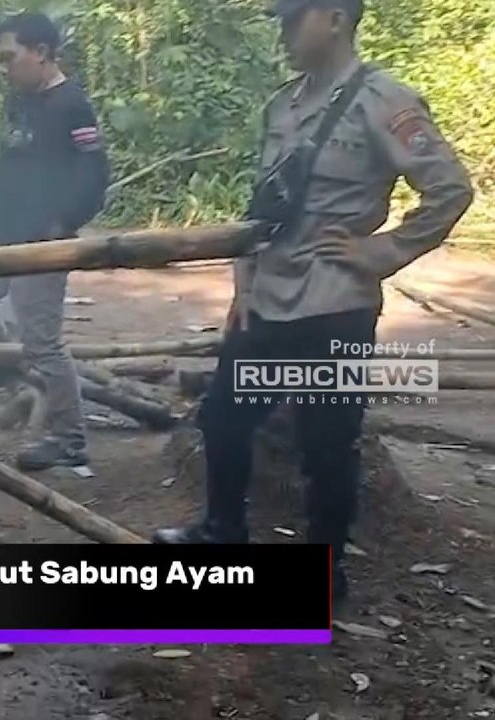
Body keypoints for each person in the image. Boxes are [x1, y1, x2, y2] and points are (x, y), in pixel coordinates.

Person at [153, 0, 473, 609]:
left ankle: (325, 573)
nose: (282, 31)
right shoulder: (284, 105)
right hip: (269, 297)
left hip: (335, 302)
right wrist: (242, 284)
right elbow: (261, 207)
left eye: (291, 18)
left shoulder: (386, 100)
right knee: (222, 417)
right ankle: (223, 531)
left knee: (328, 443)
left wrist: (385, 251)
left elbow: (450, 188)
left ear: (333, 17)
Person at [0, 12, 110, 472]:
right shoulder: (18, 101)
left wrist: (61, 226)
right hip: (2, 234)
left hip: (42, 242)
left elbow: (95, 173)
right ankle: (5, 359)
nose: (4, 67)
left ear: (41, 53)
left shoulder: (71, 104)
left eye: (9, 57)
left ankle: (70, 439)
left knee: (44, 342)